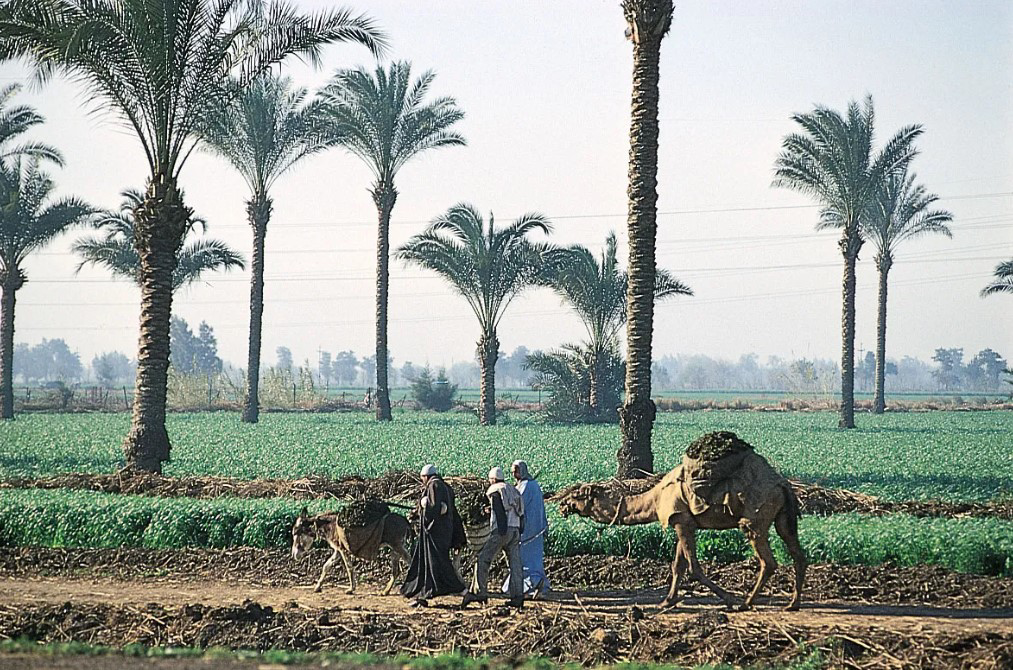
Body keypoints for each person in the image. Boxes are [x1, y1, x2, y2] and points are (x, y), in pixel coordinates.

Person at [401, 464, 466, 607]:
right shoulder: (445, 486)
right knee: (436, 560)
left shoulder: (434, 486)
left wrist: (423, 512)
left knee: (436, 561)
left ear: (426, 476)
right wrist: (418, 511)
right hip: (445, 531)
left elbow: (433, 508)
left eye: (422, 478)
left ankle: (456, 588)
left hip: (435, 532)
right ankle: (429, 591)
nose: (422, 480)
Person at [462, 466, 525, 609]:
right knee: (515, 564)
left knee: (483, 559)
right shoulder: (512, 489)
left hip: (502, 530)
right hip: (515, 529)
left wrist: (500, 530)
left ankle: (480, 592)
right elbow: (519, 511)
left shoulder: (495, 490)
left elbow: (499, 508)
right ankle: (518, 597)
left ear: (493, 479)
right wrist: (521, 528)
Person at [503, 460, 549, 597]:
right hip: (537, 528)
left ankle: (528, 586)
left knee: (524, 559)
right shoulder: (534, 485)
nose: (514, 474)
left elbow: (516, 502)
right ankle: (538, 584)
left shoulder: (526, 486)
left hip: (527, 530)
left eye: (515, 471)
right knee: (534, 559)